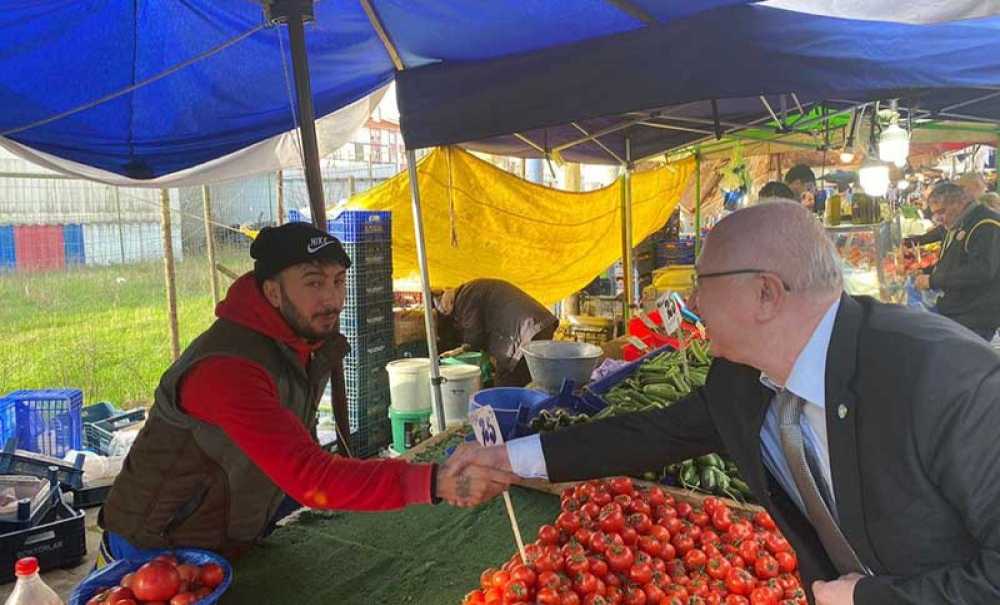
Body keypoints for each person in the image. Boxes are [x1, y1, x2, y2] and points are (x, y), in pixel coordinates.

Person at [445, 201, 1000, 604]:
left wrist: (868, 600)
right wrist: (509, 459)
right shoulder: (742, 381)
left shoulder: (942, 377)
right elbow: (648, 435)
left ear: (765, 293)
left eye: (703, 282)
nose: (691, 301)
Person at [98, 223, 512, 564]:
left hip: (228, 538)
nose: (332, 299)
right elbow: (310, 477)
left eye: (337, 281)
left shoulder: (302, 341)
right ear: (272, 291)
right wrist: (435, 480)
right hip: (156, 550)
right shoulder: (228, 369)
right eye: (313, 282)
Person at [914, 182, 1000, 340]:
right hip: (959, 309)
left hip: (976, 316)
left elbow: (981, 271)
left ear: (960, 202)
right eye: (935, 214)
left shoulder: (987, 224)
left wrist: (933, 280)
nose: (938, 218)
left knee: (967, 360)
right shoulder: (960, 221)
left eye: (942, 211)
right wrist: (927, 271)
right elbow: (954, 259)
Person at [434, 279, 559, 387]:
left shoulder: (464, 298)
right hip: (539, 325)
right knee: (530, 379)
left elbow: (475, 336)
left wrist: (462, 348)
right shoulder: (473, 288)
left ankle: (509, 413)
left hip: (527, 331)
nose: (455, 318)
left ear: (450, 303)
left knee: (506, 382)